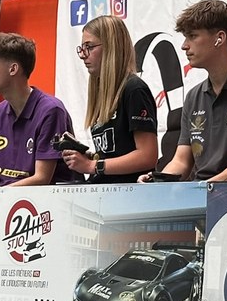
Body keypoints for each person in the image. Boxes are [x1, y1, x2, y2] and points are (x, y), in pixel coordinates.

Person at [140, 0, 227, 182]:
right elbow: (181, 161)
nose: (184, 45)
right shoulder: (194, 96)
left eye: (192, 36)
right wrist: (159, 181)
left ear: (219, 38)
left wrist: (205, 188)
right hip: (205, 193)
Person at [59, 14, 157, 182]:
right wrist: (90, 158)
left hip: (129, 192)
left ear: (112, 47)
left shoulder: (134, 89)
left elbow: (147, 156)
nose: (83, 55)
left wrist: (93, 166)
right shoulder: (102, 91)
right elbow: (114, 153)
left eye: (89, 47)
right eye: (82, 48)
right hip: (104, 190)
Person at [0, 33, 74, 187]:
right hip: (6, 197)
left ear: (13, 69)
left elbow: (42, 178)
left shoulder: (51, 110)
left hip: (46, 200)